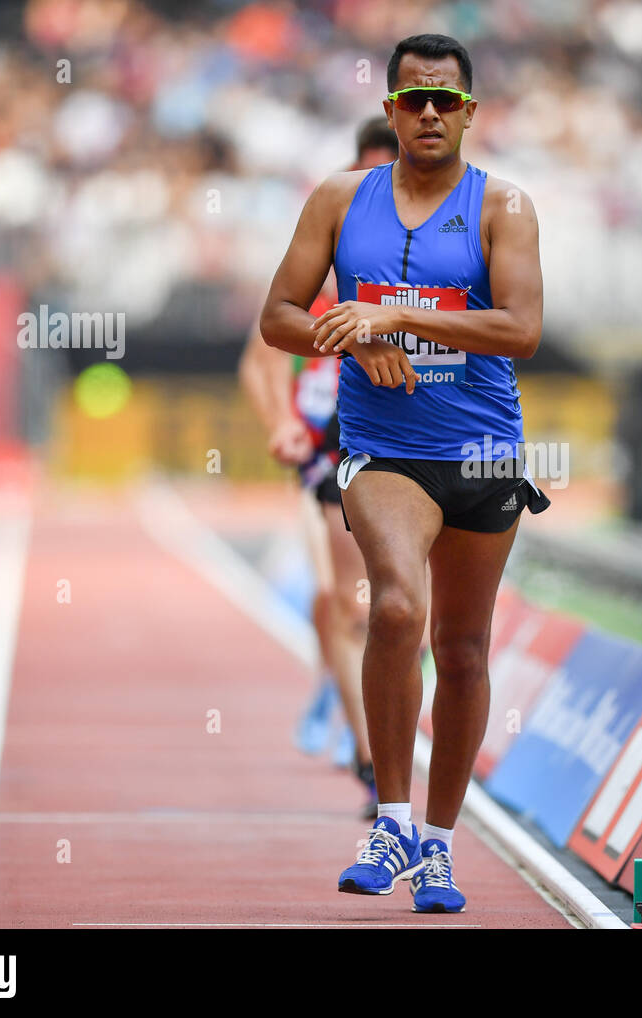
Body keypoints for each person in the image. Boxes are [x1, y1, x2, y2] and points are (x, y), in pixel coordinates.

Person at [260, 33, 549, 913]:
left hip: (484, 451)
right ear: (390, 110)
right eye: (414, 99)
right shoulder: (340, 201)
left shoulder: (505, 206)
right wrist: (346, 332)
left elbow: (521, 330)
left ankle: (438, 844)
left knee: (461, 652)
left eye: (447, 102)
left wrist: (397, 318)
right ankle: (389, 818)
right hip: (383, 448)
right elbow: (278, 315)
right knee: (393, 605)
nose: (430, 113)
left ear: (469, 112)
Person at [239, 118, 398, 820]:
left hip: (415, 443)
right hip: (328, 448)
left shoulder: (443, 258)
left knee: (390, 607)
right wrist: (280, 422)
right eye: (361, 179)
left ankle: (351, 682)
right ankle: (372, 758)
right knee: (346, 597)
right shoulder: (325, 254)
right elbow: (262, 354)